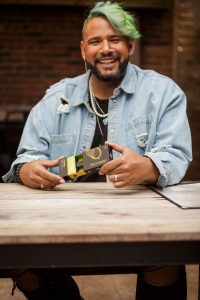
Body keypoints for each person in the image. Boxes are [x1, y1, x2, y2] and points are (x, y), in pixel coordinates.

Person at [2, 1, 192, 299]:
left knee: (167, 256)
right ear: (83, 50)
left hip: (140, 223)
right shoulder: (56, 98)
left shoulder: (163, 93)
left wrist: (150, 167)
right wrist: (27, 170)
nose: (105, 48)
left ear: (129, 46)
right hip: (60, 223)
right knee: (15, 259)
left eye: (115, 39)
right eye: (96, 41)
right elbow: (26, 158)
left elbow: (176, 154)